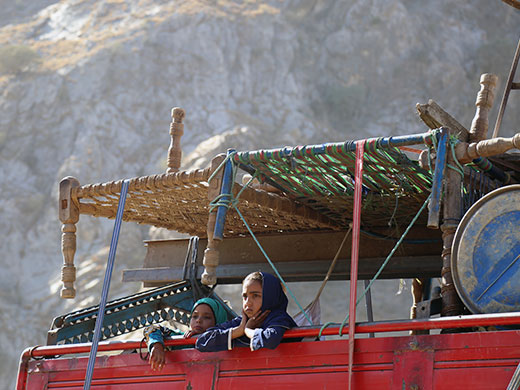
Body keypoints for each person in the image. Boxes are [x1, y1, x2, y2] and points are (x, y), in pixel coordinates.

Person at [196, 271, 298, 352]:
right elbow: (201, 342)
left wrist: (248, 330)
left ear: (270, 296)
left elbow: (270, 339)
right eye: (245, 297)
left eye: (255, 296)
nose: (248, 303)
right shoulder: (242, 321)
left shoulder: (279, 319)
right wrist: (239, 330)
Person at [144, 297, 228, 371]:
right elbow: (152, 329)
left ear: (218, 321)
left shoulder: (226, 341)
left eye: (207, 317)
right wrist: (157, 345)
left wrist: (205, 336)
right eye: (195, 316)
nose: (198, 320)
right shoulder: (184, 339)